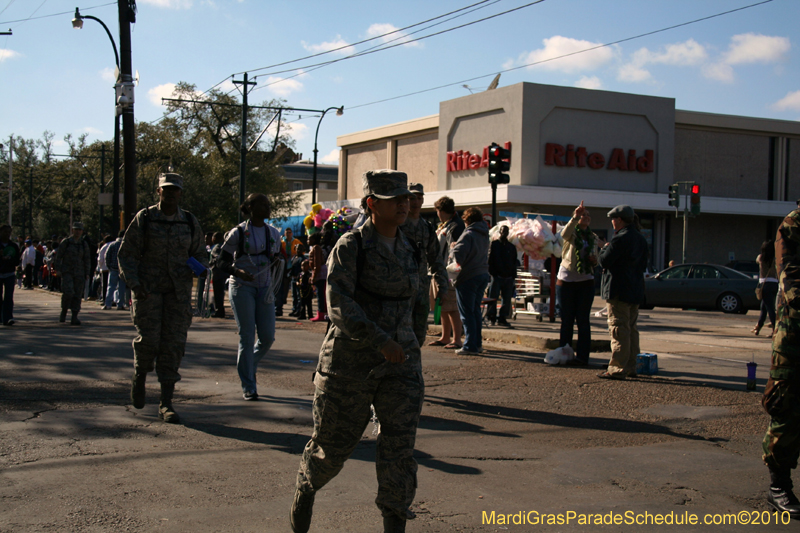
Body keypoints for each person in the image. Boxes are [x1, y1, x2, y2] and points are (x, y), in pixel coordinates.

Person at [291, 170, 423, 533]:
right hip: (350, 364)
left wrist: (415, 342)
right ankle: (307, 486)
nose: (403, 203)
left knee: (399, 451)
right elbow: (339, 305)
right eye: (393, 199)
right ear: (371, 204)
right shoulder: (351, 246)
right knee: (331, 451)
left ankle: (394, 521)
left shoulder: (411, 246)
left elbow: (419, 300)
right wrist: (381, 340)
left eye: (405, 197)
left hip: (401, 366)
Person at [119, 173, 207, 424]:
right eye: (165, 189)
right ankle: (140, 375)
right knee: (148, 340)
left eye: (175, 190)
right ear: (158, 192)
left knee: (173, 346)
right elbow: (127, 255)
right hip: (148, 292)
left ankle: (166, 402)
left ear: (180, 193)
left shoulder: (189, 221)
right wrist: (135, 285)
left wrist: (201, 267)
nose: (170, 193)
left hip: (178, 294)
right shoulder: (144, 219)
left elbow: (200, 253)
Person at [215, 193, 281, 401]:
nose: (267, 207)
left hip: (265, 288)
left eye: (268, 204)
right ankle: (249, 385)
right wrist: (238, 272)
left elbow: (277, 259)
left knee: (268, 337)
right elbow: (221, 262)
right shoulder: (238, 233)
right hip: (242, 286)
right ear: (250, 207)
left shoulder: (274, 233)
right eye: (262, 204)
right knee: (246, 335)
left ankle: (247, 364)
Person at [762, 207, 800, 519]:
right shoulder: (794, 222)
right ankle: (779, 485)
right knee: (787, 405)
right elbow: (790, 274)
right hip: (795, 333)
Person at [596, 205, 648, 380]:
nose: (611, 222)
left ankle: (617, 367)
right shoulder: (641, 239)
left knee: (618, 329)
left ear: (619, 220)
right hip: (635, 289)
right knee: (631, 329)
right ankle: (631, 365)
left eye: (613, 219)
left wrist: (603, 247)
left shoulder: (620, 239)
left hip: (618, 290)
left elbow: (604, 261)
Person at [400, 183, 447, 346]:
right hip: (400, 287)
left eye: (419, 198)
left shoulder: (426, 228)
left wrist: (442, 284)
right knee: (398, 332)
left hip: (420, 287)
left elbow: (435, 258)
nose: (415, 202)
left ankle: (411, 367)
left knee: (419, 333)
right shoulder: (397, 225)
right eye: (411, 198)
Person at [558, 201, 600, 366]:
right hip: (567, 280)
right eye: (584, 215)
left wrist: (594, 261)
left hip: (586, 281)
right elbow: (564, 234)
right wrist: (575, 217)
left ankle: (583, 357)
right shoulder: (571, 233)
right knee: (567, 320)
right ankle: (564, 353)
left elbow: (595, 259)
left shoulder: (593, 237)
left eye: (588, 215)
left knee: (583, 321)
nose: (586, 217)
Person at [451, 207, 490, 356]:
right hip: (482, 274)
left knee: (466, 313)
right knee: (475, 311)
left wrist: (452, 248)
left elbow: (458, 255)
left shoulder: (468, 234)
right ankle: (477, 343)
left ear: (467, 220)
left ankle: (470, 345)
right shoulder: (484, 234)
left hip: (468, 276)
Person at [430, 196, 464, 349]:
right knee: (442, 304)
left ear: (441, 211)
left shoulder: (456, 226)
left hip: (450, 272)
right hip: (440, 270)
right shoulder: (446, 224)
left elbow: (455, 250)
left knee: (451, 306)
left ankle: (456, 339)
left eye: (438, 211)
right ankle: (445, 336)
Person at [54, 222, 91, 325]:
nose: (78, 232)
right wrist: (58, 270)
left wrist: (87, 272)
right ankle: (64, 310)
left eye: (80, 230)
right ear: (72, 230)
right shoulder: (66, 242)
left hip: (79, 272)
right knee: (68, 292)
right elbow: (58, 257)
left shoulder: (83, 244)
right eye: (76, 229)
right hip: (67, 272)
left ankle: (74, 316)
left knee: (78, 294)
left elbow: (87, 259)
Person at [486, 225, 518, 328]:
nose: (504, 233)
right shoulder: (495, 244)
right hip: (497, 276)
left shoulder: (511, 247)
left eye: (506, 231)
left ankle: (502, 318)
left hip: (508, 277)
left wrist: (513, 275)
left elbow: (514, 261)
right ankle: (491, 316)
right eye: (503, 231)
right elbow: (490, 260)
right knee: (493, 297)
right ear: (500, 232)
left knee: (507, 299)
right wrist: (493, 273)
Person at [754, 239, 779, 337]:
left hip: (765, 285)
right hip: (774, 284)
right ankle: (758, 327)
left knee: (770, 309)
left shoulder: (761, 258)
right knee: (764, 307)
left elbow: (756, 260)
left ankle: (774, 330)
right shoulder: (776, 259)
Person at [277, 228, 302, 317]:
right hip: (282, 267)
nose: (288, 234)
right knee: (281, 286)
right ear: (284, 233)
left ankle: (295, 308)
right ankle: (280, 305)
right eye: (287, 233)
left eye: (290, 232)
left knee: (293, 289)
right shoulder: (281, 241)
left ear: (292, 233)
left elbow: (302, 251)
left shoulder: (296, 241)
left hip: (292, 266)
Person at [0, 224, 20, 325]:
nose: (7, 234)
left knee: (8, 297)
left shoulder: (13, 246)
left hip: (9, 274)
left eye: (9, 232)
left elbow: (17, 261)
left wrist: (10, 259)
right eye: (5, 232)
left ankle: (8, 318)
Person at [104, 231, 127, 311]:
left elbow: (107, 256)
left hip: (113, 269)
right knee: (121, 288)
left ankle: (108, 304)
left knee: (111, 287)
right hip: (122, 270)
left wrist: (109, 266)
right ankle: (120, 305)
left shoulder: (112, 245)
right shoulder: (125, 245)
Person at [308, 232, 328, 322]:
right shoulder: (315, 248)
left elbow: (317, 263)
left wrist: (314, 276)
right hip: (319, 272)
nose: (307, 241)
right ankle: (321, 313)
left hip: (320, 273)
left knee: (320, 293)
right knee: (319, 293)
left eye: (309, 239)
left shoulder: (316, 248)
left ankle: (321, 313)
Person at [209, 232, 227, 318]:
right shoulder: (224, 246)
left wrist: (210, 262)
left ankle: (219, 311)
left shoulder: (217, 247)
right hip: (223, 273)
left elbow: (217, 258)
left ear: (215, 238)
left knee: (218, 293)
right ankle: (220, 310)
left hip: (217, 273)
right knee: (220, 293)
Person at [97, 235, 113, 303]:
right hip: (113, 268)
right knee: (112, 285)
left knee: (105, 285)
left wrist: (100, 267)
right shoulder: (113, 245)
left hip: (104, 268)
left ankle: (104, 299)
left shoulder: (104, 247)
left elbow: (100, 259)